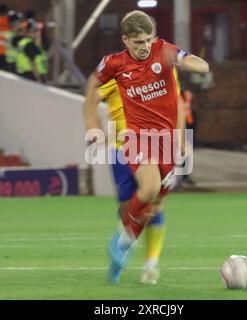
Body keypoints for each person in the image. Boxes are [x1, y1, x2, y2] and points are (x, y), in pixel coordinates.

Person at [83, 10, 209, 284]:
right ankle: (124, 238)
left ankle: (127, 248)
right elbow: (93, 85)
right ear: (126, 40)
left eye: (148, 40)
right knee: (149, 188)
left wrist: (198, 64)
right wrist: (92, 123)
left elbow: (186, 59)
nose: (144, 47)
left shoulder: (163, 51)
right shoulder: (114, 63)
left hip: (166, 143)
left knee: (153, 205)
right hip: (135, 137)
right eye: (138, 42)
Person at [98, 64, 183, 284]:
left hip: (156, 144)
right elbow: (93, 96)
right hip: (120, 149)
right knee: (129, 208)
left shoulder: (166, 69)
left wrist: (180, 139)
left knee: (154, 204)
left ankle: (150, 267)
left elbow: (178, 104)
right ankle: (121, 251)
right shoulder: (113, 71)